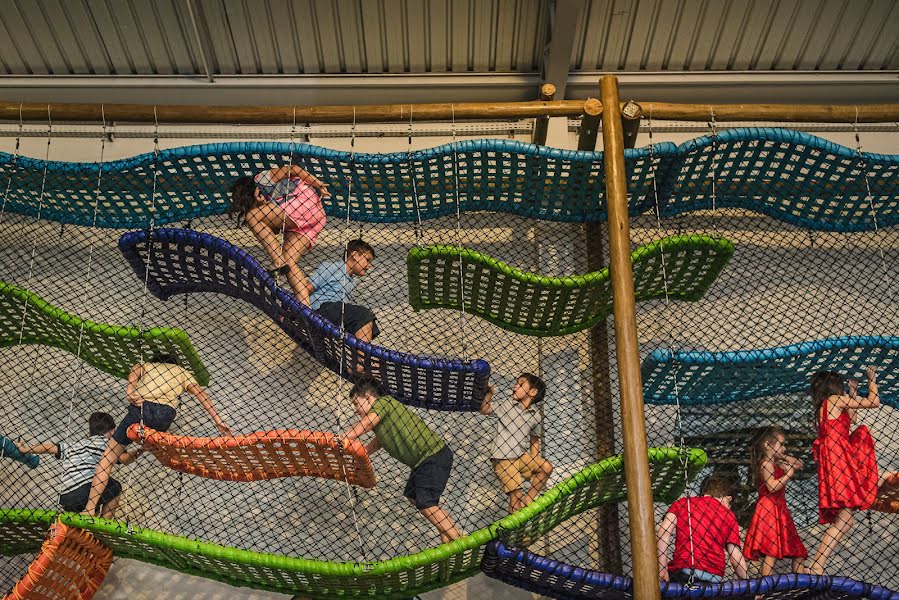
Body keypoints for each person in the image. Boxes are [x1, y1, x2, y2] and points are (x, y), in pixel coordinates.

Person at [82, 354, 232, 517]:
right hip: (165, 414)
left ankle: (89, 510)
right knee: (156, 444)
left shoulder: (148, 365)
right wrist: (218, 420)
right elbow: (200, 394)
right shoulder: (181, 371)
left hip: (141, 407)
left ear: (156, 361)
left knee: (107, 460)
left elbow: (134, 370)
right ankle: (166, 452)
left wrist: (130, 391)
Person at [342, 379, 461, 543]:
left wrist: (341, 439)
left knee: (426, 503)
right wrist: (365, 452)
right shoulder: (383, 421)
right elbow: (380, 441)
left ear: (368, 396)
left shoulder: (384, 402)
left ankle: (459, 541)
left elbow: (367, 423)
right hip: (422, 462)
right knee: (414, 496)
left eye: (356, 403)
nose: (355, 410)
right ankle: (448, 535)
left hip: (433, 455)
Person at [808, 367, 895, 574]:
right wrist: (871, 379)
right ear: (833, 387)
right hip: (840, 464)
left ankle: (817, 564)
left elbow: (851, 419)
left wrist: (853, 391)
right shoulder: (836, 400)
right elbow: (874, 402)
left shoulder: (825, 406)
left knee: (845, 521)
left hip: (837, 463)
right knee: (862, 435)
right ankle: (816, 564)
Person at [229, 164, 330, 305]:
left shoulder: (261, 178)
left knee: (251, 217)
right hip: (314, 218)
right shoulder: (263, 200)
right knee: (289, 263)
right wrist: (262, 205)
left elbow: (292, 168)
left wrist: (317, 183)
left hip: (302, 204)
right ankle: (306, 310)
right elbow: (275, 229)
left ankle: (277, 261)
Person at [17, 413, 140, 517]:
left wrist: (26, 449)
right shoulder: (108, 444)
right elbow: (125, 459)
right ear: (113, 431)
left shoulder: (77, 444)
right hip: (84, 492)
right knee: (116, 488)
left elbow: (50, 448)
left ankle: (87, 532)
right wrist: (142, 450)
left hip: (65, 497)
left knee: (95, 502)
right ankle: (103, 528)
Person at [480, 373, 553, 514]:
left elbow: (534, 441)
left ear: (532, 392)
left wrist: (533, 461)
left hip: (520, 457)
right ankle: (516, 533)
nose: (515, 386)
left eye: (520, 384)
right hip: (503, 459)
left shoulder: (535, 416)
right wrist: (489, 393)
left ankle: (529, 500)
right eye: (516, 383)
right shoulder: (507, 405)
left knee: (546, 467)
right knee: (516, 495)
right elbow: (485, 409)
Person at [657, 473, 748, 585]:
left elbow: (663, 531)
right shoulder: (728, 515)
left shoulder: (683, 503)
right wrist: (749, 584)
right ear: (727, 499)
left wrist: (662, 567)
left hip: (684, 570)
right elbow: (735, 556)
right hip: (714, 577)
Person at [743, 426, 807, 575]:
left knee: (798, 552)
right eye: (781, 444)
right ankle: (764, 588)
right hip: (769, 509)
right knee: (771, 552)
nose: (784, 447)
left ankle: (800, 586)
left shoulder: (777, 463)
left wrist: (782, 455)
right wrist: (788, 475)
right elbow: (771, 487)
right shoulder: (765, 464)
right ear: (767, 444)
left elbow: (799, 464)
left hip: (779, 508)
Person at [308, 240, 378, 343]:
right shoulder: (332, 267)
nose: (369, 266)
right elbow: (306, 288)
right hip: (321, 310)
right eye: (367, 260)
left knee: (370, 324)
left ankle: (361, 357)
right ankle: (362, 358)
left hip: (334, 317)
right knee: (363, 315)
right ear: (354, 255)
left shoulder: (351, 281)